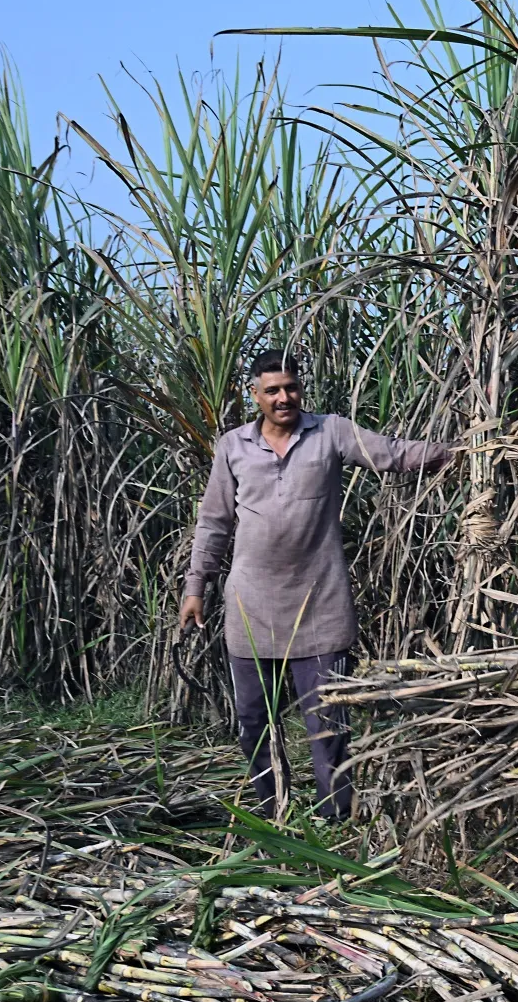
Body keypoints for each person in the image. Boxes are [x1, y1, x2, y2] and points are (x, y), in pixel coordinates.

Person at [181, 350, 451, 820]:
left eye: (291, 388)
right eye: (272, 391)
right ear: (255, 395)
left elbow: (392, 454)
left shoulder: (331, 431)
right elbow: (213, 523)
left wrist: (459, 449)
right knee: (253, 723)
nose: (284, 398)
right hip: (251, 609)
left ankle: (335, 820)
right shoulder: (233, 446)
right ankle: (272, 813)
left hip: (320, 606)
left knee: (327, 725)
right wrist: (195, 587)